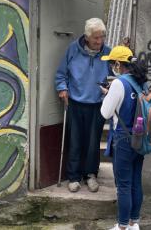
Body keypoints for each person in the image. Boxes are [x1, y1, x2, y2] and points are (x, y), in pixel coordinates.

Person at [55, 18, 111, 193]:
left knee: (93, 141)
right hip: (76, 102)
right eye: (96, 38)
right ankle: (73, 176)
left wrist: (110, 89)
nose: (99, 41)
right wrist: (62, 88)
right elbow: (61, 74)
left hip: (97, 104)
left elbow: (115, 76)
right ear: (87, 37)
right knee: (75, 140)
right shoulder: (73, 49)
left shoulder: (108, 53)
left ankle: (91, 174)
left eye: (101, 37)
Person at [100, 46, 148, 230]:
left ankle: (122, 226)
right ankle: (134, 222)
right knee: (136, 180)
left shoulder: (119, 83)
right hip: (140, 137)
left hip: (124, 138)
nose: (112, 66)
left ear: (119, 64)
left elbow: (105, 112)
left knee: (123, 185)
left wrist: (108, 95)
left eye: (112, 63)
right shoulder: (142, 81)